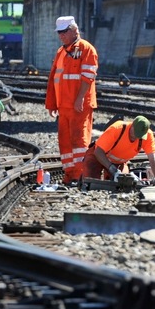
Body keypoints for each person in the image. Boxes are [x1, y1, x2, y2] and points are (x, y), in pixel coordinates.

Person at [45, 15, 98, 183]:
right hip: (64, 106)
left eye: (64, 32)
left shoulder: (86, 49)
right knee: (65, 142)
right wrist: (52, 104)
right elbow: (55, 79)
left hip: (79, 105)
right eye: (59, 33)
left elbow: (88, 77)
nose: (61, 35)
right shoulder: (61, 52)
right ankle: (70, 174)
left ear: (74, 30)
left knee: (80, 140)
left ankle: (82, 175)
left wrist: (80, 98)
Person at [80, 115, 155, 183]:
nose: (136, 137)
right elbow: (98, 152)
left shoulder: (147, 136)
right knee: (91, 182)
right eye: (136, 133)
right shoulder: (117, 128)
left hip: (118, 163)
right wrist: (113, 169)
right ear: (132, 126)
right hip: (97, 157)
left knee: (124, 183)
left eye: (140, 135)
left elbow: (153, 158)